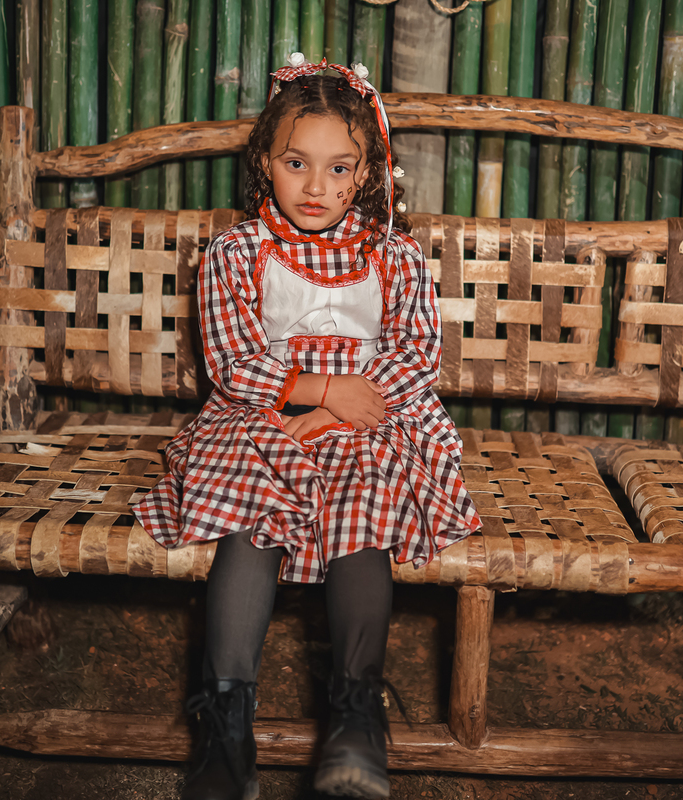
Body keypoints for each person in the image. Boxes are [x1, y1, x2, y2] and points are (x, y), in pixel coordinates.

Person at [132, 54, 481, 800]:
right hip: (263, 418)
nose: (316, 187)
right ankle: (226, 731)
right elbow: (233, 363)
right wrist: (318, 393)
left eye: (338, 168)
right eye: (297, 163)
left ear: (366, 172)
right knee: (250, 513)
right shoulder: (236, 253)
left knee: (362, 512)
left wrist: (329, 412)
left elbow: (418, 355)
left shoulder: (393, 254)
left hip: (370, 420)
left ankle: (355, 720)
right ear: (264, 159)